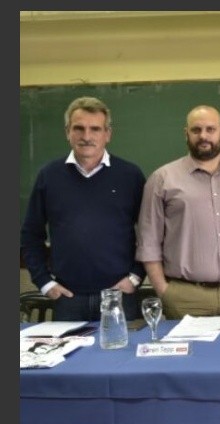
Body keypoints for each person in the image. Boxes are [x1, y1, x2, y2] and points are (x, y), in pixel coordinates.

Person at [136, 105, 220, 320]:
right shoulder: (162, 178)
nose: (203, 136)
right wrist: (164, 290)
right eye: (196, 130)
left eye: (211, 129)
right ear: (186, 133)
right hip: (185, 297)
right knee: (191, 355)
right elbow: (148, 240)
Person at [20, 96, 146, 321]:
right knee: (69, 357)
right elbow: (30, 234)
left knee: (122, 356)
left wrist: (135, 277)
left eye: (95, 129)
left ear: (108, 134)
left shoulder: (130, 176)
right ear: (68, 131)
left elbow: (150, 233)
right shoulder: (49, 176)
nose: (87, 136)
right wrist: (44, 282)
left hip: (119, 295)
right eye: (79, 128)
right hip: (68, 298)